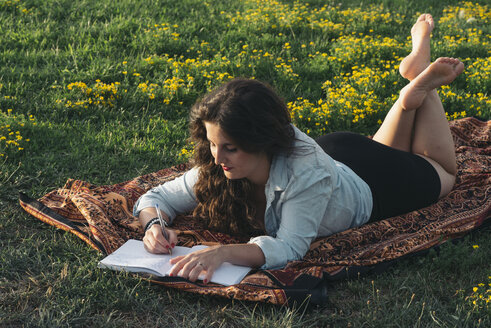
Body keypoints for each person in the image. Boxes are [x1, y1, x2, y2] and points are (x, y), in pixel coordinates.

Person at [133, 14, 464, 284]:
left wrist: (221, 253)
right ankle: (408, 97)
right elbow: (155, 198)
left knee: (443, 172)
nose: (217, 158)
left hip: (375, 185)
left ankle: (420, 82)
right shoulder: (219, 162)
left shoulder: (304, 173)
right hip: (339, 156)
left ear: (260, 141)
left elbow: (290, 248)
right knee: (384, 148)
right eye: (213, 144)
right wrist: (153, 226)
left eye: (230, 148)